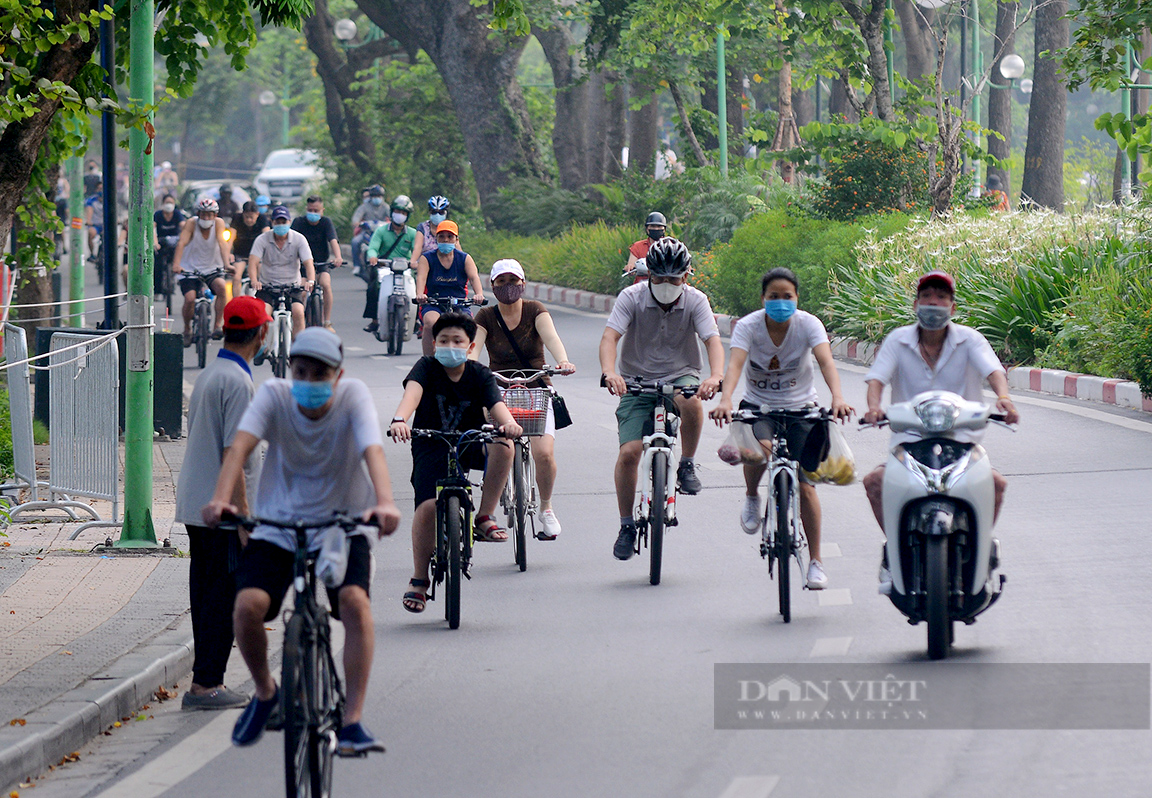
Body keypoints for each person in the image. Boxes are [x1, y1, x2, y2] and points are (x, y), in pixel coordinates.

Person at [201, 327, 402, 754]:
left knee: (354, 603)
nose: (308, 382)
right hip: (278, 523)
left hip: (342, 523)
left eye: (319, 374)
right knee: (247, 607)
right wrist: (221, 499)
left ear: (338, 374)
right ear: (289, 369)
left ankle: (352, 721)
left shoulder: (353, 396)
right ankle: (267, 694)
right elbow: (238, 448)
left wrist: (385, 503)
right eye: (301, 371)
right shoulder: (273, 395)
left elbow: (373, 450)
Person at [861, 271, 1020, 590]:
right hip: (909, 441)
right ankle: (894, 552)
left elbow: (993, 372)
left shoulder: (970, 339)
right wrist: (874, 407)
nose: (934, 303)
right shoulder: (897, 340)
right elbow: (877, 379)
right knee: (875, 482)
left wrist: (1004, 398)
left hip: (962, 441)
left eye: (941, 297)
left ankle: (980, 552)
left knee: (997, 485)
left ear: (953, 307)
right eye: (927, 296)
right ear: (916, 303)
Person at [709, 267, 854, 590]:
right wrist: (726, 399)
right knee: (758, 452)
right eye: (773, 297)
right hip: (760, 407)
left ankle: (815, 563)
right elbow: (734, 365)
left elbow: (827, 362)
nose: (780, 302)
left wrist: (839, 398)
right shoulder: (748, 326)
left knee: (807, 485)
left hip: (802, 409)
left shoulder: (808, 324)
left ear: (796, 298)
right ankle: (751, 496)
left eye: (787, 296)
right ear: (763, 299)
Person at [599, 237, 725, 560]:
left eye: (674, 279)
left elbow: (712, 341)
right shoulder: (631, 297)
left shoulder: (697, 301)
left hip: (680, 375)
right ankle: (626, 525)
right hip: (635, 381)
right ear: (648, 274)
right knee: (629, 453)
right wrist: (609, 372)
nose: (667, 285)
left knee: (692, 401)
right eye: (660, 278)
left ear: (686, 276)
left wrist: (714, 376)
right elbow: (610, 337)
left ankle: (685, 465)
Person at [388, 313, 522, 612]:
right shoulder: (426, 367)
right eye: (444, 340)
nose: (450, 345)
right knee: (425, 508)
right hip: (431, 442)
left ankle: (484, 517)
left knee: (504, 445)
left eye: (457, 341)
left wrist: (509, 424)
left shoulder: (479, 374)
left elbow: (496, 404)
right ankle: (420, 579)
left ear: (470, 345)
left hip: (470, 440)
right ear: (434, 344)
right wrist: (400, 419)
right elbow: (412, 394)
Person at [174, 296, 270, 710]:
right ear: (261, 333)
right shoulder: (238, 382)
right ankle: (206, 685)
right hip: (223, 512)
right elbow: (235, 452)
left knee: (209, 595)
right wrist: (246, 517)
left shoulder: (214, 373)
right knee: (222, 599)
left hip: (200, 504)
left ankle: (206, 679)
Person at [472, 259, 576, 540]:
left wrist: (563, 360)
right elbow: (473, 348)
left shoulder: (535, 310)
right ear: (492, 286)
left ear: (523, 284)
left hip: (536, 387)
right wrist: (469, 369)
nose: (508, 287)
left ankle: (546, 507)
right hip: (498, 390)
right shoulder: (484, 316)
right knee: (495, 447)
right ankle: (492, 496)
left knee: (544, 453)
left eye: (513, 281)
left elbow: (551, 338)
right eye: (501, 282)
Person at [414, 220, 484, 356]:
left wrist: (479, 294)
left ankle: (469, 358)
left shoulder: (465, 258)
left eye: (450, 236)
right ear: (436, 238)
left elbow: (474, 277)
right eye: (442, 236)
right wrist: (420, 295)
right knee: (430, 323)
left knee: (470, 325)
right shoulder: (427, 258)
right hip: (434, 303)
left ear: (456, 239)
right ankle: (429, 360)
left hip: (460, 302)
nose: (446, 240)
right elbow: (421, 278)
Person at [248, 205, 315, 339]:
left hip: (292, 286)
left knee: (299, 312)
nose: (281, 225)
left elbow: (308, 263)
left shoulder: (299, 239)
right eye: (277, 222)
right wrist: (254, 281)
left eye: (283, 222)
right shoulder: (262, 239)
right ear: (272, 223)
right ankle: (262, 345)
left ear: (289, 222)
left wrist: (310, 281)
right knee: (263, 314)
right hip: (268, 286)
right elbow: (253, 262)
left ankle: (298, 349)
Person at [172, 197, 230, 345]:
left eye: (209, 214)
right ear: (198, 213)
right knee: (190, 298)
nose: (206, 218)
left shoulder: (219, 224)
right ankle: (187, 329)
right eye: (203, 214)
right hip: (190, 268)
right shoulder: (191, 223)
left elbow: (222, 243)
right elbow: (181, 243)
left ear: (215, 215)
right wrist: (176, 264)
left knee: (222, 288)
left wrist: (227, 264)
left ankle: (217, 325)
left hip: (212, 268)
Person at [362, 195, 417, 334]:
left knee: (418, 287)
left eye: (403, 213)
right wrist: (373, 256)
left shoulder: (412, 233)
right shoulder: (381, 231)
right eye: (398, 212)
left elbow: (418, 250)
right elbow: (373, 247)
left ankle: (416, 319)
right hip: (384, 267)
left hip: (405, 269)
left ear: (407, 216)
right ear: (392, 212)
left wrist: (416, 262)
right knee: (373, 287)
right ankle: (374, 320)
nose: (400, 215)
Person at [291, 196, 343, 328]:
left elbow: (333, 240)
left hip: (321, 265)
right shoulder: (298, 222)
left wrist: (338, 257)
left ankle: (327, 322)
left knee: (326, 284)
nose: (313, 213)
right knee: (302, 291)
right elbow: (290, 241)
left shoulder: (326, 222)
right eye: (310, 210)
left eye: (316, 210)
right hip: (302, 267)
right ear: (306, 209)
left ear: (322, 210)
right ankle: (299, 322)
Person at [228, 201, 270, 293]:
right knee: (236, 277)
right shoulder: (237, 219)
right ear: (242, 214)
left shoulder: (263, 219)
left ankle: (262, 299)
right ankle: (237, 303)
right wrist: (229, 253)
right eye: (246, 217)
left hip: (258, 255)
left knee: (262, 276)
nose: (249, 220)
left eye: (252, 217)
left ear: (257, 214)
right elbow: (230, 238)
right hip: (240, 253)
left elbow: (267, 237)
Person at [350, 184, 389, 275]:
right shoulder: (364, 207)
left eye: (379, 196)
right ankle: (357, 265)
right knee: (355, 242)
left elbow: (392, 218)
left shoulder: (386, 207)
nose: (377, 198)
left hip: (381, 233)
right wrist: (360, 224)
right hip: (366, 232)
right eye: (375, 196)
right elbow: (355, 220)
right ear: (371, 197)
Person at [153, 193, 187, 296]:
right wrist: (155, 243)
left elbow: (183, 226)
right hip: (160, 242)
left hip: (174, 242)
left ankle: (177, 278)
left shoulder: (177, 214)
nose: (169, 205)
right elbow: (152, 229)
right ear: (163, 204)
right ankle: (157, 290)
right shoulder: (158, 215)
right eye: (167, 202)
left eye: (171, 203)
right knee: (157, 265)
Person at [624, 212, 668, 277]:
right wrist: (629, 268)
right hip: (642, 283)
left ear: (664, 229)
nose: (656, 229)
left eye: (659, 226)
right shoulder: (637, 246)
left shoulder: (671, 246)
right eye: (652, 226)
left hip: (664, 283)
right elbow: (632, 264)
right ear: (647, 229)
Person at [84, 179, 103, 264]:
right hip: (95, 224)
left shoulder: (110, 200)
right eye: (99, 188)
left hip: (105, 225)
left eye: (102, 188)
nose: (101, 190)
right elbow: (89, 211)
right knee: (91, 233)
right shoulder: (91, 200)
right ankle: (92, 254)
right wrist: (88, 221)